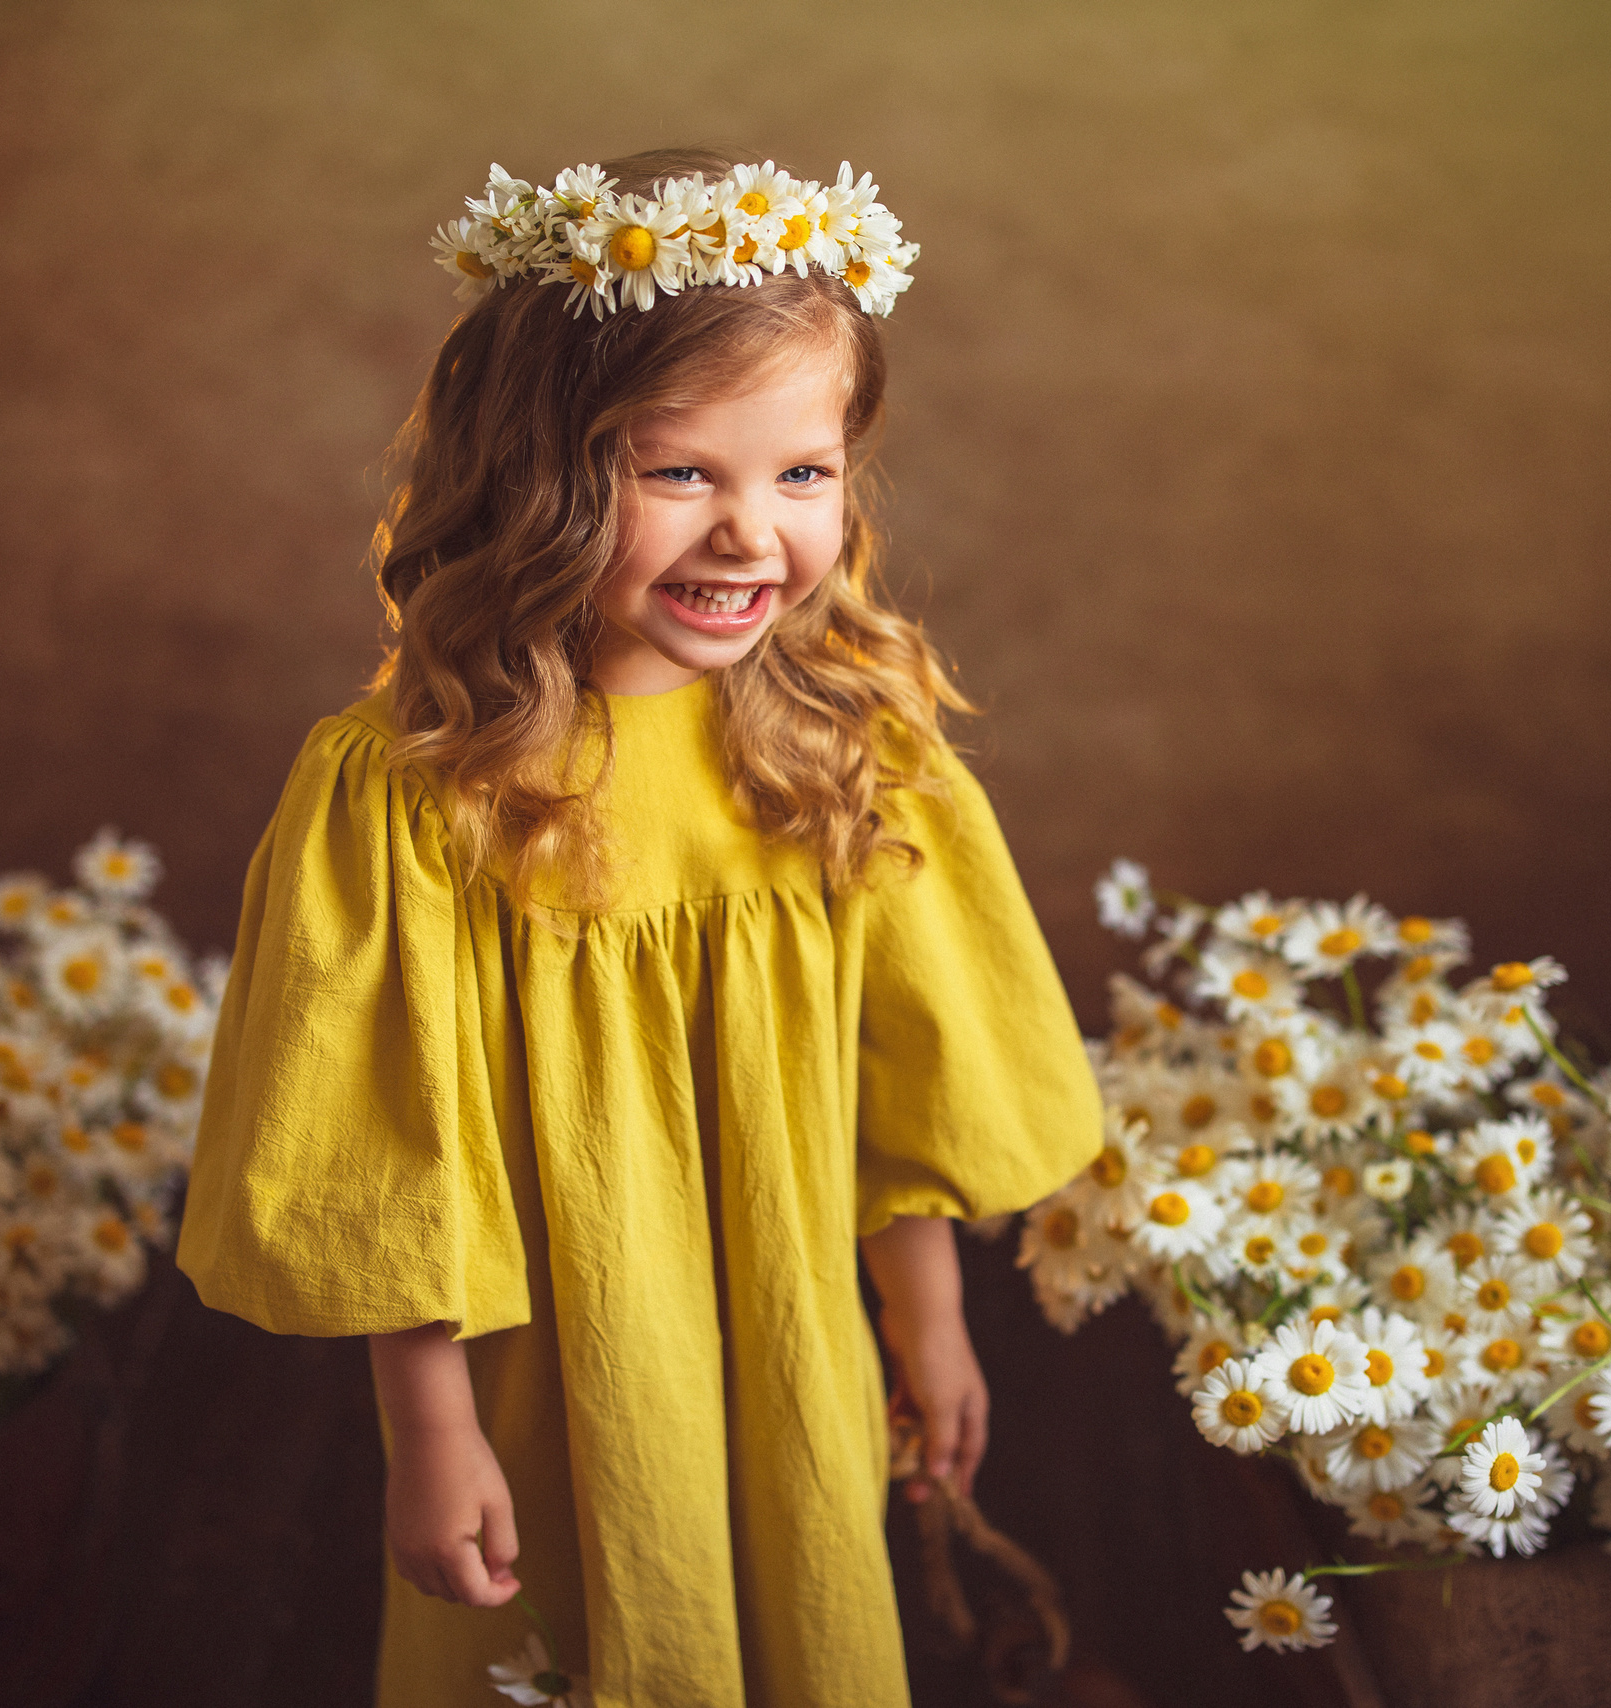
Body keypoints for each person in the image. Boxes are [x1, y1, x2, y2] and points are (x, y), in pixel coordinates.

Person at [175, 146, 1102, 1708]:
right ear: (536, 469)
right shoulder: (417, 789)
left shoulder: (846, 747)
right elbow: (385, 1147)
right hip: (548, 1367)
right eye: (680, 474)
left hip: (791, 1334)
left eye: (801, 475)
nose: (752, 535)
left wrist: (926, 1317)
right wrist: (430, 1431)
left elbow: (907, 1067)